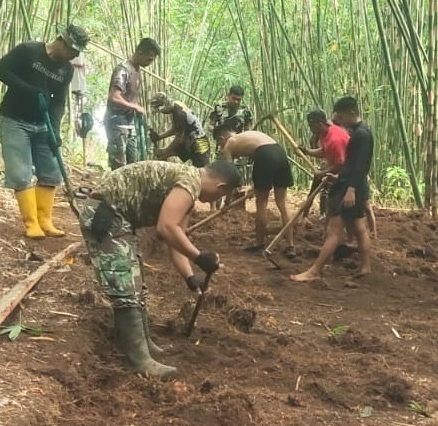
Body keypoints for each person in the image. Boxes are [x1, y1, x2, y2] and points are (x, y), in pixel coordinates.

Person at [79, 159, 241, 379]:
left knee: (136, 284)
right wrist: (199, 257)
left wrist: (190, 277)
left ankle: (141, 343)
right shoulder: (189, 182)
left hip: (119, 218)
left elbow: (175, 239)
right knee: (124, 283)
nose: (216, 199)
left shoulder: (187, 189)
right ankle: (138, 360)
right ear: (220, 187)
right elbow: (165, 227)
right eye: (221, 196)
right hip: (105, 213)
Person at [0, 24, 89, 239]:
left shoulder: (67, 69)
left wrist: (54, 130)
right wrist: (27, 89)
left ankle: (45, 220)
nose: (75, 55)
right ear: (62, 41)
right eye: (73, 50)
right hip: (15, 119)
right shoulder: (28, 51)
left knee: (51, 171)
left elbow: (59, 102)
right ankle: (31, 222)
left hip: (43, 124)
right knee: (20, 172)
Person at [291, 96, 373, 282]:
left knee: (333, 231)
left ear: (352, 113)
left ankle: (314, 271)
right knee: (359, 227)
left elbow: (360, 166)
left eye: (341, 116)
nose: (338, 121)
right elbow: (352, 164)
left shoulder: (361, 135)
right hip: (349, 183)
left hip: (349, 187)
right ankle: (366, 267)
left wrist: (350, 188)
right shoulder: (359, 132)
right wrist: (338, 177)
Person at [214, 125, 294, 250]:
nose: (221, 147)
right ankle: (290, 245)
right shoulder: (247, 136)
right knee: (282, 204)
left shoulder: (230, 143)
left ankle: (259, 243)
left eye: (219, 143)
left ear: (222, 138)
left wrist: (227, 202)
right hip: (279, 152)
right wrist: (254, 187)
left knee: (261, 203)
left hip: (265, 154)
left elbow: (231, 177)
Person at [105, 38, 160, 170]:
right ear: (140, 52)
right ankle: (113, 190)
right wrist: (135, 107)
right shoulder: (123, 69)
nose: (149, 63)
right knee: (119, 165)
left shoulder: (136, 70)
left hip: (130, 124)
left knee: (132, 165)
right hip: (117, 122)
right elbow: (114, 97)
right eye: (149, 59)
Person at [149, 92, 211, 167]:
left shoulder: (179, 114)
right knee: (163, 157)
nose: (162, 112)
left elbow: (179, 138)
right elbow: (175, 129)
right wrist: (159, 137)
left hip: (200, 143)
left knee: (204, 170)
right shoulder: (175, 106)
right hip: (189, 140)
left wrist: (164, 150)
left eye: (161, 110)